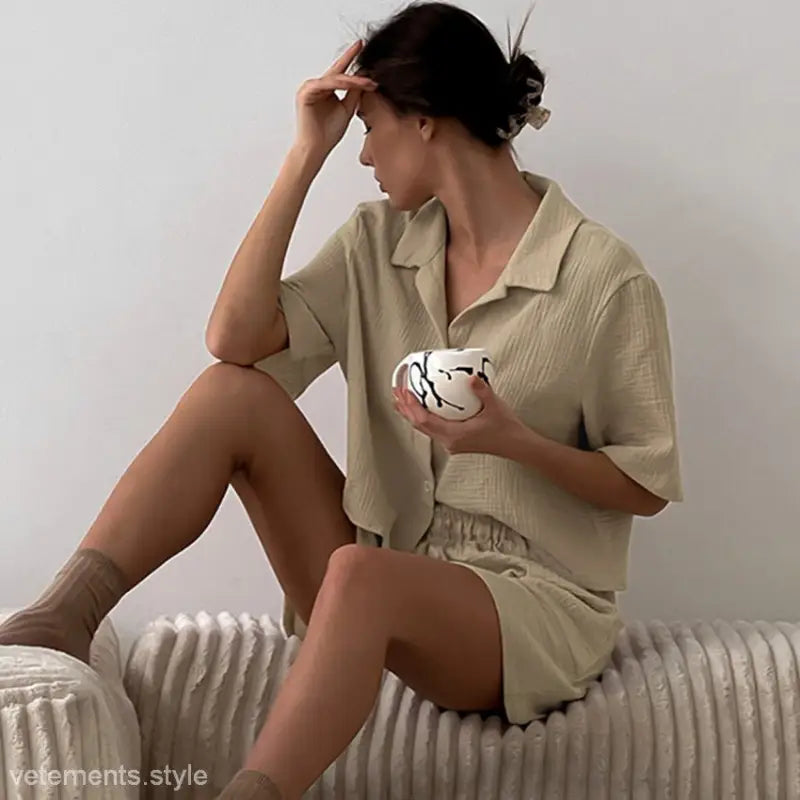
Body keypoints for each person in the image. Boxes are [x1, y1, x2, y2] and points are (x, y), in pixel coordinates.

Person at [0, 2, 684, 798]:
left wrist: (510, 439)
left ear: (423, 121)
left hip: (528, 612)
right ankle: (65, 614)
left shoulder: (602, 277)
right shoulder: (375, 244)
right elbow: (235, 339)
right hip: (388, 562)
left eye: (368, 127)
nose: (361, 155)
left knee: (363, 574)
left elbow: (645, 482)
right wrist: (303, 156)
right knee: (233, 396)